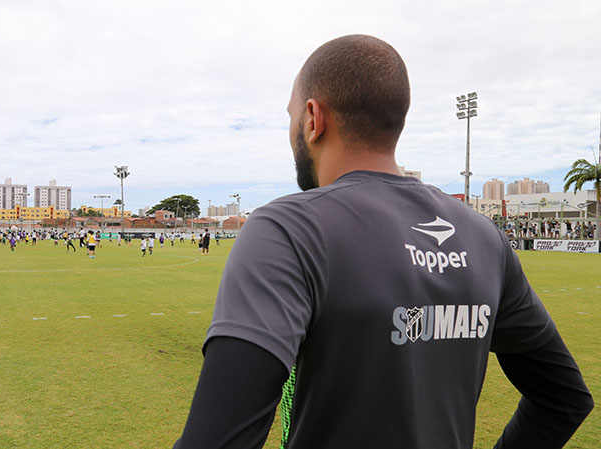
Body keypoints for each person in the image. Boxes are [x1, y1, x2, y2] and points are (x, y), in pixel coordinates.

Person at [174, 35, 592, 449]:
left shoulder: (289, 228)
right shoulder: (483, 236)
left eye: (292, 115)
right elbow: (563, 399)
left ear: (313, 118)